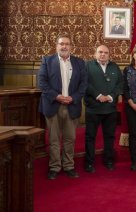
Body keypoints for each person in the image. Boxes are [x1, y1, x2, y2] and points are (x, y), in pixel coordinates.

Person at [38, 35, 87, 180]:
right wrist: (57, 96)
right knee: (53, 139)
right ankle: (54, 167)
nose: (64, 46)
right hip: (53, 105)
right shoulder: (47, 61)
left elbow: (84, 84)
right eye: (61, 44)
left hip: (72, 105)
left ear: (71, 46)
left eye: (67, 44)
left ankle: (69, 166)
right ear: (56, 46)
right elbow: (42, 82)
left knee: (70, 139)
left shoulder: (79, 62)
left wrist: (74, 98)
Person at [84, 45, 123, 173]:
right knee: (90, 137)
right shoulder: (88, 66)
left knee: (110, 137)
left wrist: (111, 96)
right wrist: (98, 95)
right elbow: (85, 83)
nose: (103, 54)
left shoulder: (114, 67)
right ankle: (89, 163)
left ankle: (109, 161)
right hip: (93, 109)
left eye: (105, 52)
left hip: (110, 109)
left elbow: (120, 84)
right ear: (95, 54)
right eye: (100, 52)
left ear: (109, 54)